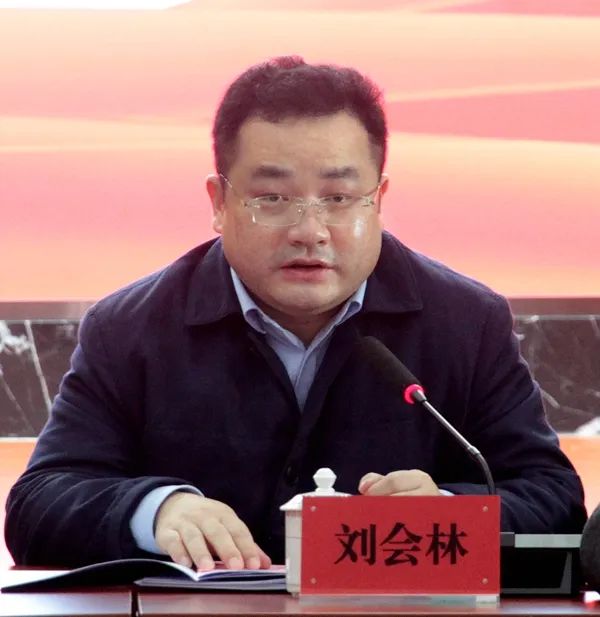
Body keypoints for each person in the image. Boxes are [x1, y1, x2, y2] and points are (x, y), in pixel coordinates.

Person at [5, 56, 586, 570]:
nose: (310, 231)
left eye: (338, 198)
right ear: (219, 202)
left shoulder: (466, 322)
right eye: (273, 198)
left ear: (378, 200)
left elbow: (554, 499)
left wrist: (449, 513)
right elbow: (38, 505)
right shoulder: (130, 328)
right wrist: (154, 510)